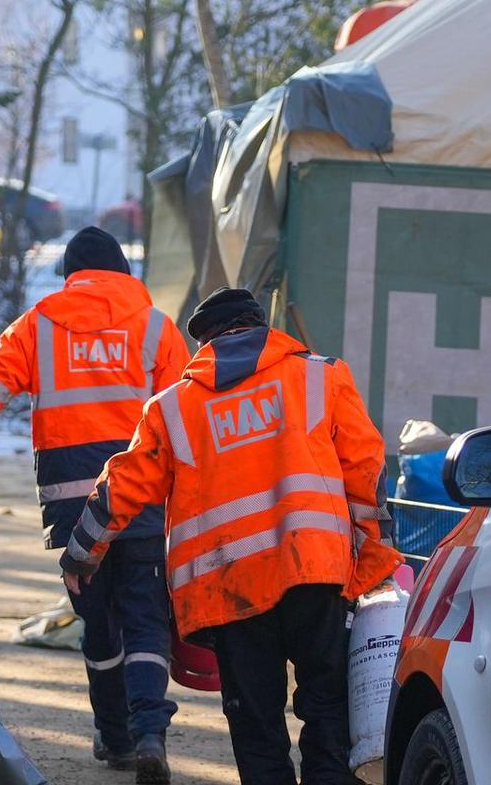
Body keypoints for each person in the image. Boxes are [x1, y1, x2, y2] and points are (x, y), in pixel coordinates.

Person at [60, 287, 402, 785]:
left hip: (231, 589)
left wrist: (80, 555)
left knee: (256, 722)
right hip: (315, 572)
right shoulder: (320, 376)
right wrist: (373, 562)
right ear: (261, 328)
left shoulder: (174, 407)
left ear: (205, 344)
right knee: (328, 708)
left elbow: (123, 486)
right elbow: (367, 473)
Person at [0, 226, 188, 780]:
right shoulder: (156, 327)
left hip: (71, 503)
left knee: (99, 624)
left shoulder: (40, 326)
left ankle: (114, 736)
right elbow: (186, 415)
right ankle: (149, 731)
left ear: (70, 276)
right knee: (147, 618)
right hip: (140, 499)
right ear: (124, 276)